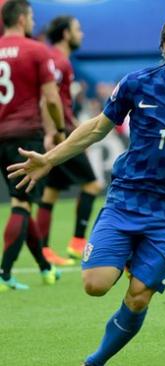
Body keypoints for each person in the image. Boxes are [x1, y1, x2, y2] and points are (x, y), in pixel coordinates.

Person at [8, 5, 165, 364]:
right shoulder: (137, 83)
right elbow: (98, 127)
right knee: (94, 285)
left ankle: (95, 360)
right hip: (126, 199)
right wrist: (50, 159)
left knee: (138, 296)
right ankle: (131, 255)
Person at [0, 0, 63, 292]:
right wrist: (60, 130)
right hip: (25, 136)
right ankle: (4, 273)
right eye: (32, 16)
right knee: (22, 203)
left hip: (1, 134)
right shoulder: (36, 50)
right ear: (23, 18)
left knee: (22, 201)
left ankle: (45, 267)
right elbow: (51, 99)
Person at [36, 15, 101, 267]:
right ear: (65, 34)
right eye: (77, 29)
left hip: (59, 131)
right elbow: (47, 99)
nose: (81, 34)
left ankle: (43, 249)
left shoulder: (56, 59)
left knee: (51, 192)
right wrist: (54, 133)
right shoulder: (58, 61)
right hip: (61, 135)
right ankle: (77, 242)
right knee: (92, 185)